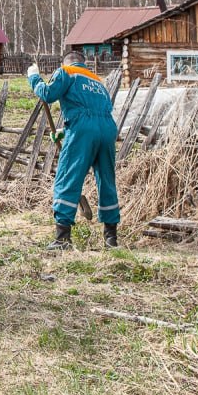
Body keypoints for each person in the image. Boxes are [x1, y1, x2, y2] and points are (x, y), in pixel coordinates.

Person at [27, 51, 120, 250]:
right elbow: (94, 112)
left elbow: (48, 94)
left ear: (66, 62)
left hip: (83, 129)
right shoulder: (98, 81)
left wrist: (34, 77)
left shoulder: (66, 71)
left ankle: (62, 239)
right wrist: (64, 131)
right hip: (107, 128)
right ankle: (111, 238)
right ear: (84, 63)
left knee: (68, 177)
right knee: (106, 179)